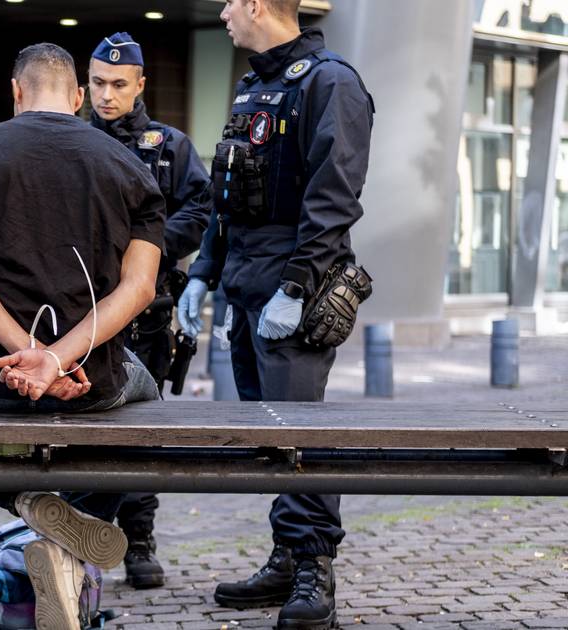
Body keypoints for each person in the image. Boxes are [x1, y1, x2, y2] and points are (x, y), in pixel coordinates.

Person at [0, 42, 165, 628]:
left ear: (16, 91)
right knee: (147, 399)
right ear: (78, 97)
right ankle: (69, 540)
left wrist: (22, 353)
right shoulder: (131, 167)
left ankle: (25, 501)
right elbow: (141, 288)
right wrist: (55, 359)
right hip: (91, 380)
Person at [178, 1, 374, 628]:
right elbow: (226, 193)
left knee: (301, 436)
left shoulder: (330, 82)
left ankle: (315, 570)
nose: (224, 14)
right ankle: (288, 556)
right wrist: (202, 273)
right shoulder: (254, 85)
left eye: (230, 3)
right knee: (273, 436)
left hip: (294, 288)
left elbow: (333, 199)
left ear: (257, 5)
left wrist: (295, 288)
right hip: (244, 284)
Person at [87, 31, 213, 591]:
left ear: (140, 84)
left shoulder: (169, 147)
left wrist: (150, 251)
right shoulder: (70, 139)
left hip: (146, 317)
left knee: (139, 431)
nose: (106, 95)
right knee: (80, 429)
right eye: (96, 83)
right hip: (80, 315)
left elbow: (203, 207)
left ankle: (138, 540)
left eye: (118, 84)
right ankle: (82, 533)